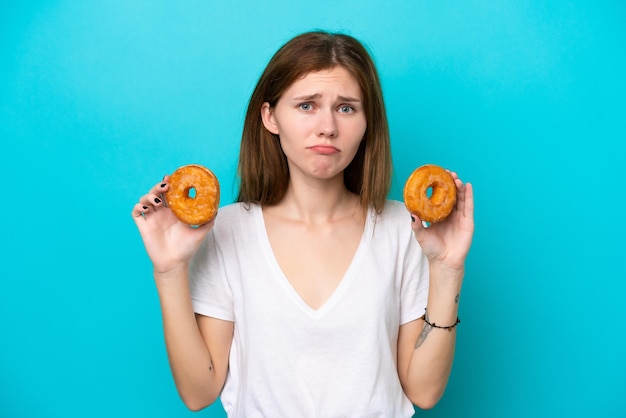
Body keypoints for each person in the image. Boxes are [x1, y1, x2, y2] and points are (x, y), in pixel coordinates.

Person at [132, 30, 474, 417]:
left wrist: (447, 270)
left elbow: (424, 392)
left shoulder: (402, 229)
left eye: (346, 108)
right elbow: (199, 393)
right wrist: (170, 270)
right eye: (307, 105)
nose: (327, 126)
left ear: (366, 124)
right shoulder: (227, 230)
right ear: (270, 117)